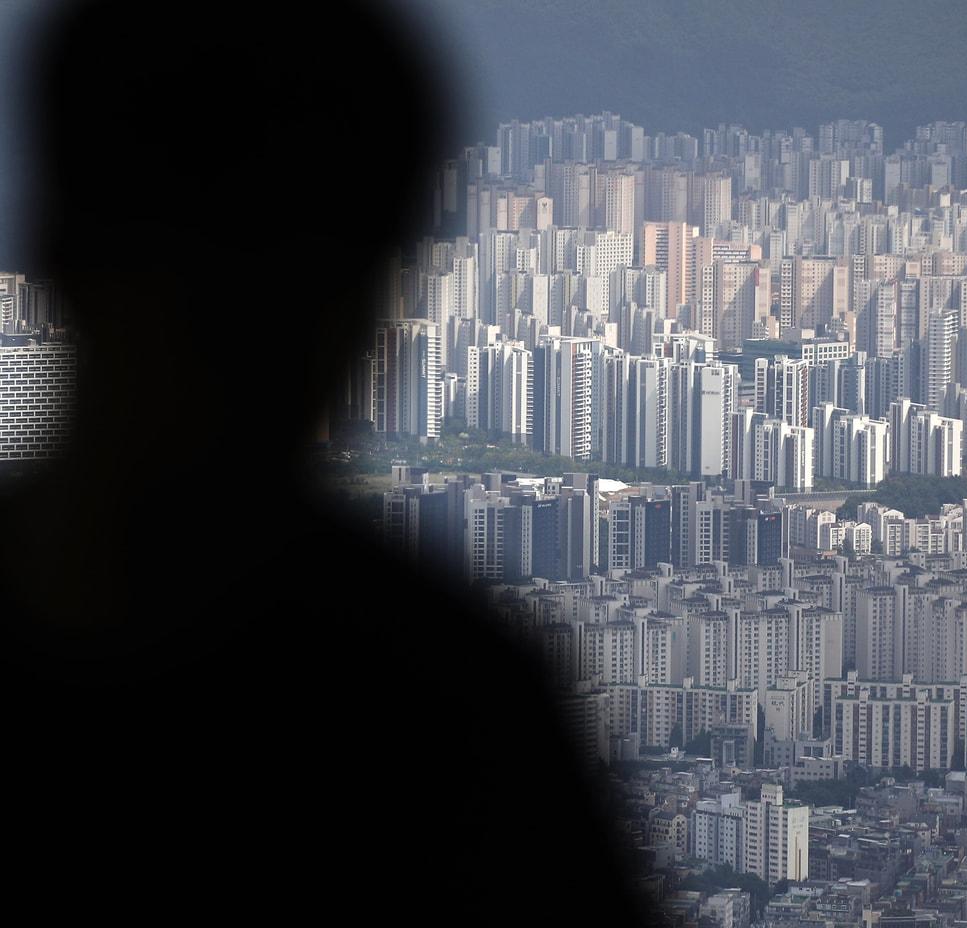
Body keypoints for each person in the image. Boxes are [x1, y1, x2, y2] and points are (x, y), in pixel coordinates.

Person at [0, 1, 647, 921]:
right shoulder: (435, 704)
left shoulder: (447, 696)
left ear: (52, 254)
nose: (244, 348)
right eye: (211, 290)